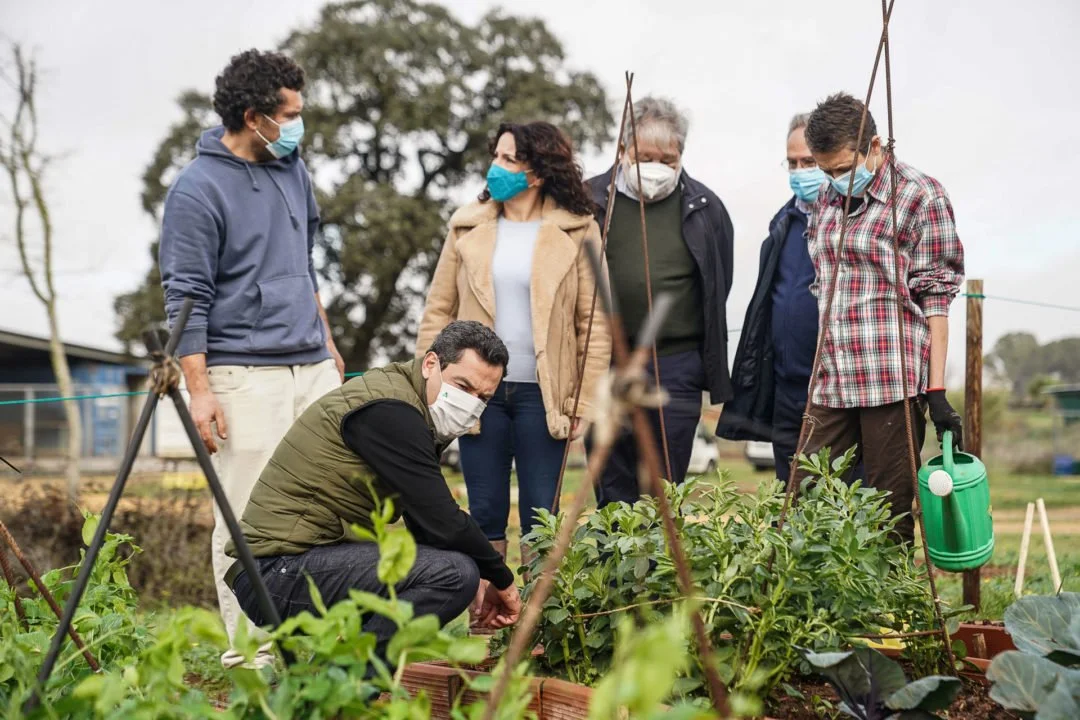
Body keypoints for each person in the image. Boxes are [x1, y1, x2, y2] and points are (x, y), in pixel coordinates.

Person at [159, 49, 344, 668]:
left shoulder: (293, 168)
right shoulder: (195, 189)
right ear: (253, 115)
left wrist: (329, 339)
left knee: (323, 509)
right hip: (243, 374)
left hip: (310, 364)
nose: (299, 126)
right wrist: (200, 388)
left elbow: (305, 261)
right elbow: (186, 297)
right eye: (289, 115)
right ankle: (252, 656)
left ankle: (313, 646)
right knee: (244, 520)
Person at [227, 321, 521, 654]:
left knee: (450, 569)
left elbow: (429, 528)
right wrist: (502, 579)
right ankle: (345, 687)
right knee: (454, 575)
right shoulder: (392, 411)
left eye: (483, 397)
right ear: (430, 364)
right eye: (463, 386)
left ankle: (327, 682)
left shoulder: (407, 404)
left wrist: (479, 578)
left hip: (287, 565)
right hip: (275, 573)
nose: (470, 404)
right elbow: (445, 521)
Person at [416, 122, 611, 561]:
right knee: (483, 513)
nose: (495, 167)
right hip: (474, 395)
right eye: (496, 156)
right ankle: (491, 619)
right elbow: (437, 311)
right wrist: (426, 383)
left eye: (508, 160)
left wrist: (582, 402)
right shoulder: (466, 227)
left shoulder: (580, 230)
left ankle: (538, 623)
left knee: (542, 517)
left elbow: (594, 325)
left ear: (537, 173)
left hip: (545, 398)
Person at [795, 92, 965, 543]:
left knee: (888, 512)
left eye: (841, 168)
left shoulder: (919, 195)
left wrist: (936, 389)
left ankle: (888, 609)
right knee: (807, 499)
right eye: (824, 170)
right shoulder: (825, 202)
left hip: (890, 378)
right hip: (832, 376)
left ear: (875, 147)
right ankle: (815, 606)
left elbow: (936, 297)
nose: (833, 180)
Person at [585, 97, 734, 507]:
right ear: (623, 150)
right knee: (611, 475)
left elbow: (720, 280)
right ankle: (614, 568)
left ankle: (659, 569)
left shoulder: (706, 208)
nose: (655, 166)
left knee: (664, 485)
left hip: (675, 364)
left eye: (667, 158)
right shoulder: (591, 201)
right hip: (606, 361)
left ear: (681, 155)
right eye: (644, 156)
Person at [716, 113, 827, 483]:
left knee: (841, 500)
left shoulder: (850, 221)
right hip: (786, 391)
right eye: (792, 162)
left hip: (834, 393)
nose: (799, 171)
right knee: (792, 501)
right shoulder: (784, 222)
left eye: (809, 162)